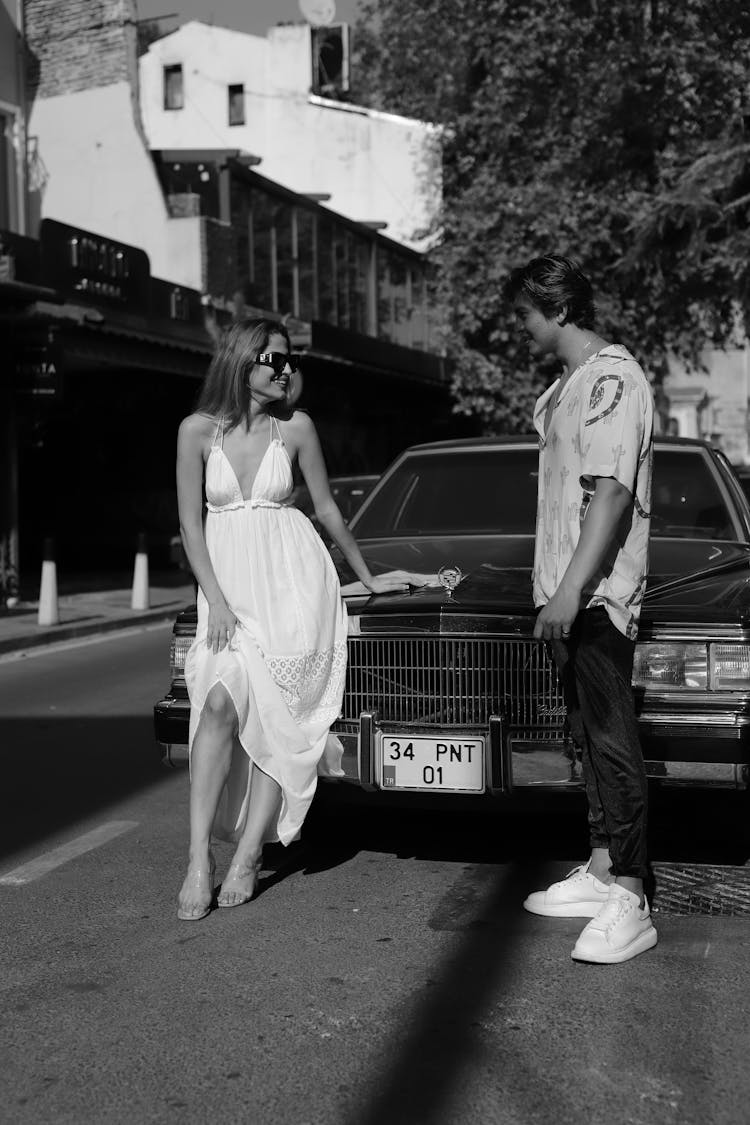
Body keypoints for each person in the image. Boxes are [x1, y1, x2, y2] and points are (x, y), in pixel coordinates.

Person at [175, 317, 411, 921]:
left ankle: (249, 853)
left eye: (288, 361)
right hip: (228, 595)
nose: (285, 370)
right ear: (242, 360)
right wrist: (217, 601)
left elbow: (328, 510)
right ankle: (198, 856)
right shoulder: (197, 431)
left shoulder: (296, 428)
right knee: (219, 706)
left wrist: (365, 575)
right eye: (274, 359)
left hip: (292, 589)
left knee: (280, 722)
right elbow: (190, 526)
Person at [503, 255, 656, 964]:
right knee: (587, 738)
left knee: (612, 737)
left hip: (595, 594)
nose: (521, 326)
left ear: (557, 308)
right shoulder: (565, 386)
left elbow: (613, 493)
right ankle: (600, 867)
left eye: (526, 313)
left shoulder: (611, 378)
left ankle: (632, 889)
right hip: (567, 594)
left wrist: (570, 590)